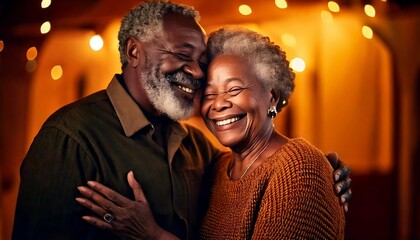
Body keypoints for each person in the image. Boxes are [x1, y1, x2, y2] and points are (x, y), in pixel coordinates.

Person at [12, 1, 351, 240]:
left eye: (201, 61)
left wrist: (319, 170)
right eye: (182, 54)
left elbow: (273, 170)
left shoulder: (197, 148)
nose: (196, 72)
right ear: (134, 52)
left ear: (272, 96)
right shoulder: (70, 138)